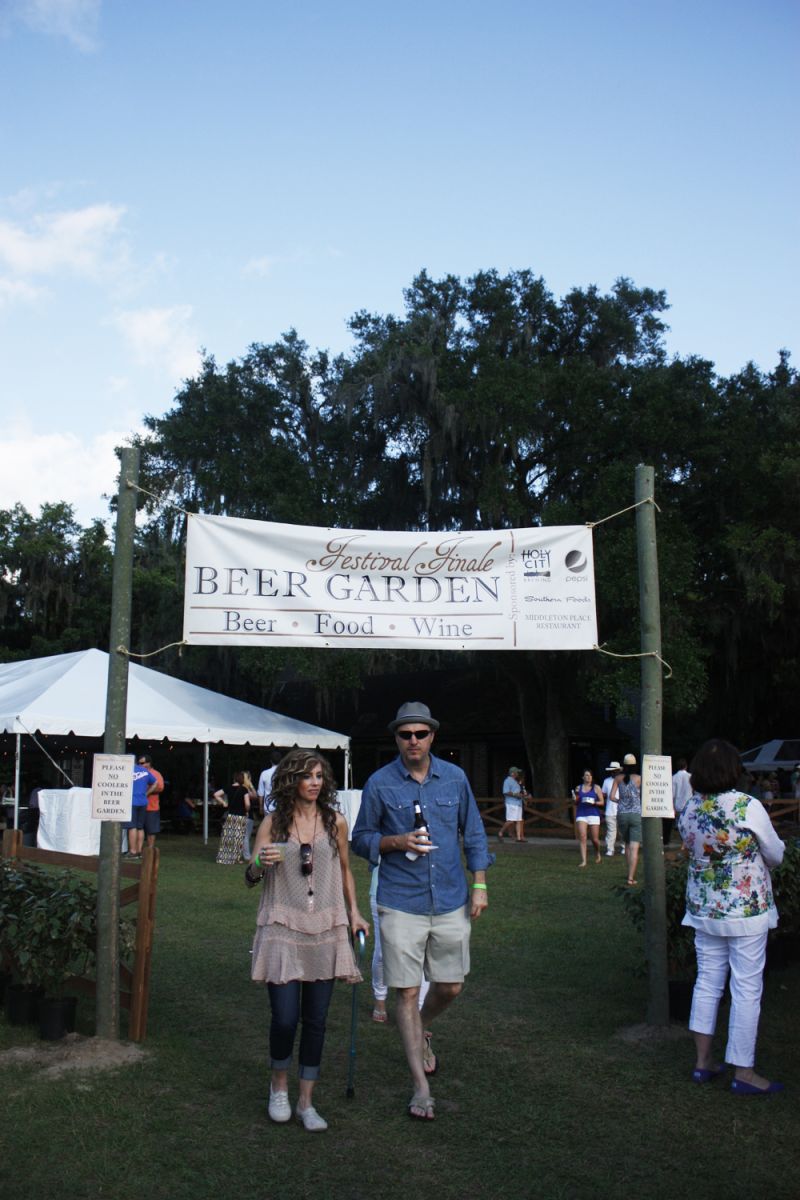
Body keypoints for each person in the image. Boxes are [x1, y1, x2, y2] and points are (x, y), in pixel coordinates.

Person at [351, 701, 492, 1121]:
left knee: (451, 985)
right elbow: (360, 839)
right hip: (400, 901)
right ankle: (420, 1088)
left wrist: (480, 883)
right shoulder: (379, 783)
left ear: (433, 736)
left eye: (420, 734)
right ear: (396, 738)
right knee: (407, 992)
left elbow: (475, 833)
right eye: (405, 734)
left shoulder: (455, 778)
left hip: (450, 897)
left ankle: (419, 1026)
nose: (413, 741)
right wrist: (397, 842)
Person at [248, 749, 368, 1131]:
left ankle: (306, 1102)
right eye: (307, 776)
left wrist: (355, 913)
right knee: (285, 1019)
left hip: (326, 928)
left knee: (315, 1021)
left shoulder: (336, 822)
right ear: (291, 780)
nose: (315, 782)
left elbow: (346, 871)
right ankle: (278, 1087)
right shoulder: (273, 823)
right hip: (282, 926)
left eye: (319, 776)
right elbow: (249, 875)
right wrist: (258, 864)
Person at [677, 738, 785, 1094]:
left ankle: (702, 1062)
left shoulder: (689, 808)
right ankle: (744, 1072)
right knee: (746, 989)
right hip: (745, 911)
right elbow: (775, 852)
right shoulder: (747, 806)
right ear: (733, 770)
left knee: (707, 982)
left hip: (705, 909)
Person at [609, 753, 641, 886]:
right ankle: (630, 877)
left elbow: (611, 797)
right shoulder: (639, 778)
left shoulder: (618, 778)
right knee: (634, 847)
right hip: (635, 814)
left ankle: (629, 872)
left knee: (627, 844)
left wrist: (620, 801)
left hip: (622, 814)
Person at [215, 771, 256, 864]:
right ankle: (235, 858)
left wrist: (223, 803)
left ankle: (224, 857)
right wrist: (246, 810)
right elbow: (247, 804)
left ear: (234, 779)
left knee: (228, 836)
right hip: (240, 816)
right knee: (238, 838)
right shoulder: (244, 790)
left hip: (230, 815)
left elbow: (216, 794)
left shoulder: (228, 788)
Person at [124, 757, 157, 858]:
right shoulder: (144, 770)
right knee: (140, 827)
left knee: (132, 827)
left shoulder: (126, 771)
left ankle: (133, 851)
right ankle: (139, 851)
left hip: (131, 802)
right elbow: (155, 783)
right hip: (143, 801)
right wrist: (147, 793)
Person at [573, 769, 604, 867]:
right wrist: (575, 799)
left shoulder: (596, 788)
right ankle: (584, 861)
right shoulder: (578, 788)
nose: (588, 777)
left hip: (593, 813)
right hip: (581, 813)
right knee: (582, 836)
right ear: (583, 777)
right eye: (586, 775)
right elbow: (576, 802)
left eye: (590, 775)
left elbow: (602, 802)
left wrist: (594, 802)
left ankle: (598, 853)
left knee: (594, 839)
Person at [139, 754, 164, 851]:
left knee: (151, 830)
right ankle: (138, 850)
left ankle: (150, 849)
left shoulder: (156, 774)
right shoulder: (138, 773)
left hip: (151, 807)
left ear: (148, 763)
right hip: (139, 805)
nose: (140, 765)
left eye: (142, 763)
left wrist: (146, 791)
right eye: (139, 763)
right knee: (138, 828)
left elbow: (160, 787)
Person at [497, 766, 528, 841]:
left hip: (518, 803)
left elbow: (519, 792)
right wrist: (515, 794)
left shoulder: (516, 781)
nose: (518, 773)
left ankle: (519, 838)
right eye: (517, 772)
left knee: (518, 820)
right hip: (511, 803)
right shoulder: (507, 781)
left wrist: (523, 795)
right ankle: (500, 832)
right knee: (510, 820)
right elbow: (506, 792)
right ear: (512, 773)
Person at [667, 756, 692, 846]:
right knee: (689, 826)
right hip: (689, 805)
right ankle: (686, 843)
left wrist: (672, 806)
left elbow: (672, 793)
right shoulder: (690, 777)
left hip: (677, 805)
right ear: (686, 766)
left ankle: (683, 843)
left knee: (680, 826)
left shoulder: (673, 777)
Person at [602, 761, 624, 856]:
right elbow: (603, 794)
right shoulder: (606, 781)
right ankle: (610, 849)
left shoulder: (624, 780)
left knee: (623, 831)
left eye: (616, 770)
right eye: (613, 771)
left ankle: (624, 847)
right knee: (611, 831)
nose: (614, 772)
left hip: (622, 809)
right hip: (610, 810)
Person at [257, 750, 283, 816]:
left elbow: (261, 793)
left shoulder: (264, 773)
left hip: (268, 808)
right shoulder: (284, 773)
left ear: (270, 761)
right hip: (282, 807)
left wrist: (260, 807)